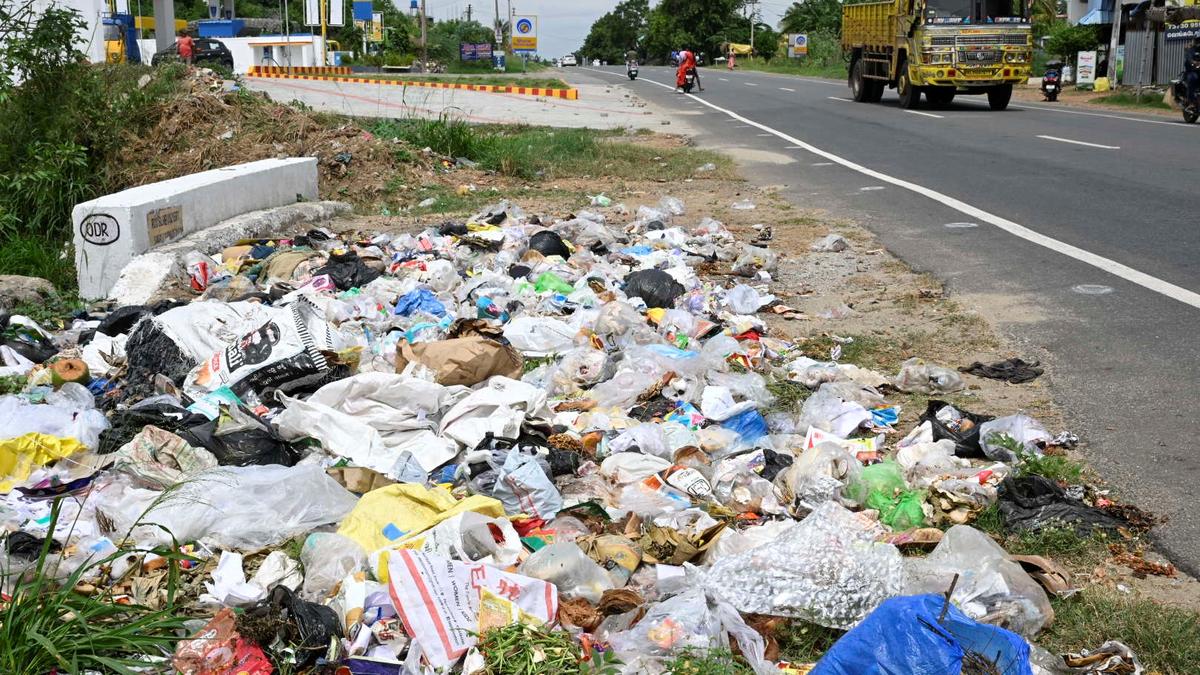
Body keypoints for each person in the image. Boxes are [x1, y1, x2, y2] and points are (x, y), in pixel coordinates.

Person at [1186, 37, 1200, 103]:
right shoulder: (1191, 50)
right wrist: (1195, 63)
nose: (1198, 42)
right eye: (1197, 40)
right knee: (1193, 78)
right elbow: (1189, 59)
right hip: (1192, 71)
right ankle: (1191, 101)